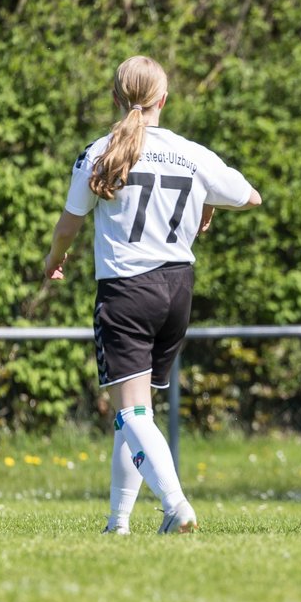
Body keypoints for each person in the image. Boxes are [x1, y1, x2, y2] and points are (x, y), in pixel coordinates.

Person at [43, 55, 262, 535]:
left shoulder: (101, 151)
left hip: (127, 289)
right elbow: (250, 196)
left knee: (130, 411)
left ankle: (176, 504)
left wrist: (54, 258)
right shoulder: (192, 153)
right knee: (137, 411)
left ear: (115, 98)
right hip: (177, 289)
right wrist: (207, 202)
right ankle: (117, 522)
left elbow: (69, 223)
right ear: (164, 99)